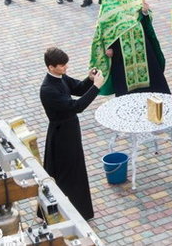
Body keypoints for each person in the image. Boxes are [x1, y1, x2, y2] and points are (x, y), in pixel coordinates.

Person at [40, 47, 104, 220]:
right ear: (51, 67)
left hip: (70, 131)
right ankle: (65, 212)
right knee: (67, 173)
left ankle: (79, 211)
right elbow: (76, 106)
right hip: (61, 135)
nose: (65, 68)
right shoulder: (47, 89)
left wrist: (90, 80)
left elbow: (78, 88)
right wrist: (97, 87)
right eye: (62, 65)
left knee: (75, 170)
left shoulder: (60, 78)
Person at [89, 0, 170, 96]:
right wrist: (108, 46)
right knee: (123, 77)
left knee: (151, 71)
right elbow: (103, 29)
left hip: (141, 43)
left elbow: (145, 18)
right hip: (120, 48)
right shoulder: (108, 4)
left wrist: (145, 12)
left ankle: (154, 93)